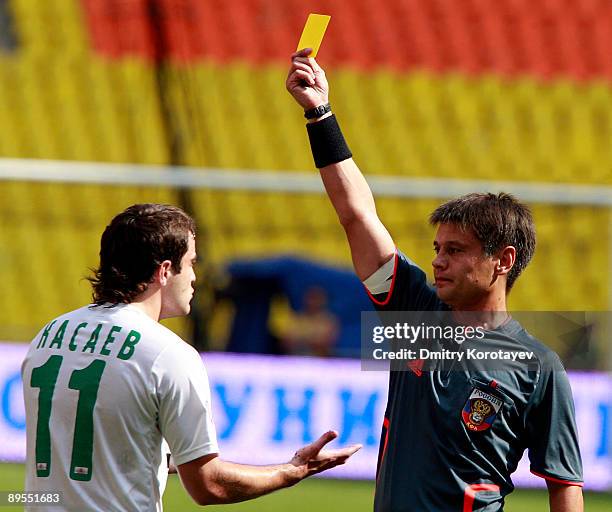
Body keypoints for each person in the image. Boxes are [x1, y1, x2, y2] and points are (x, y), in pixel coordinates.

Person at [286, 49, 583, 512]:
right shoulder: (412, 309)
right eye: (437, 250)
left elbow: (564, 486)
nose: (439, 262)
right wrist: (319, 114)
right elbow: (356, 215)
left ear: (502, 260)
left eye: (456, 250)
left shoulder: (538, 368)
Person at [21, 203, 360, 511]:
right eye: (191, 263)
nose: (195, 277)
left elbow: (100, 442)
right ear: (165, 270)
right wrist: (292, 471)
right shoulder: (167, 354)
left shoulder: (50, 334)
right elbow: (207, 485)